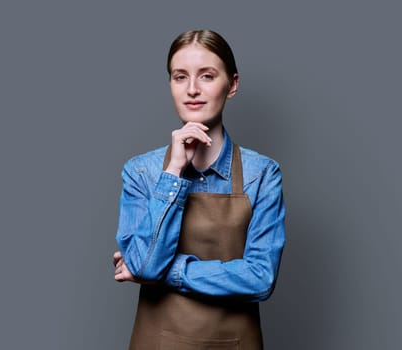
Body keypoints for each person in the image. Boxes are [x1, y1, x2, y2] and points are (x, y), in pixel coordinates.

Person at [113, 29, 286, 349]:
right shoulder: (142, 172)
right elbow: (143, 265)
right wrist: (174, 172)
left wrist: (167, 270)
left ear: (232, 85)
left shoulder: (262, 174)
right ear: (170, 85)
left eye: (207, 76)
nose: (192, 89)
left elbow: (260, 278)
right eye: (180, 77)